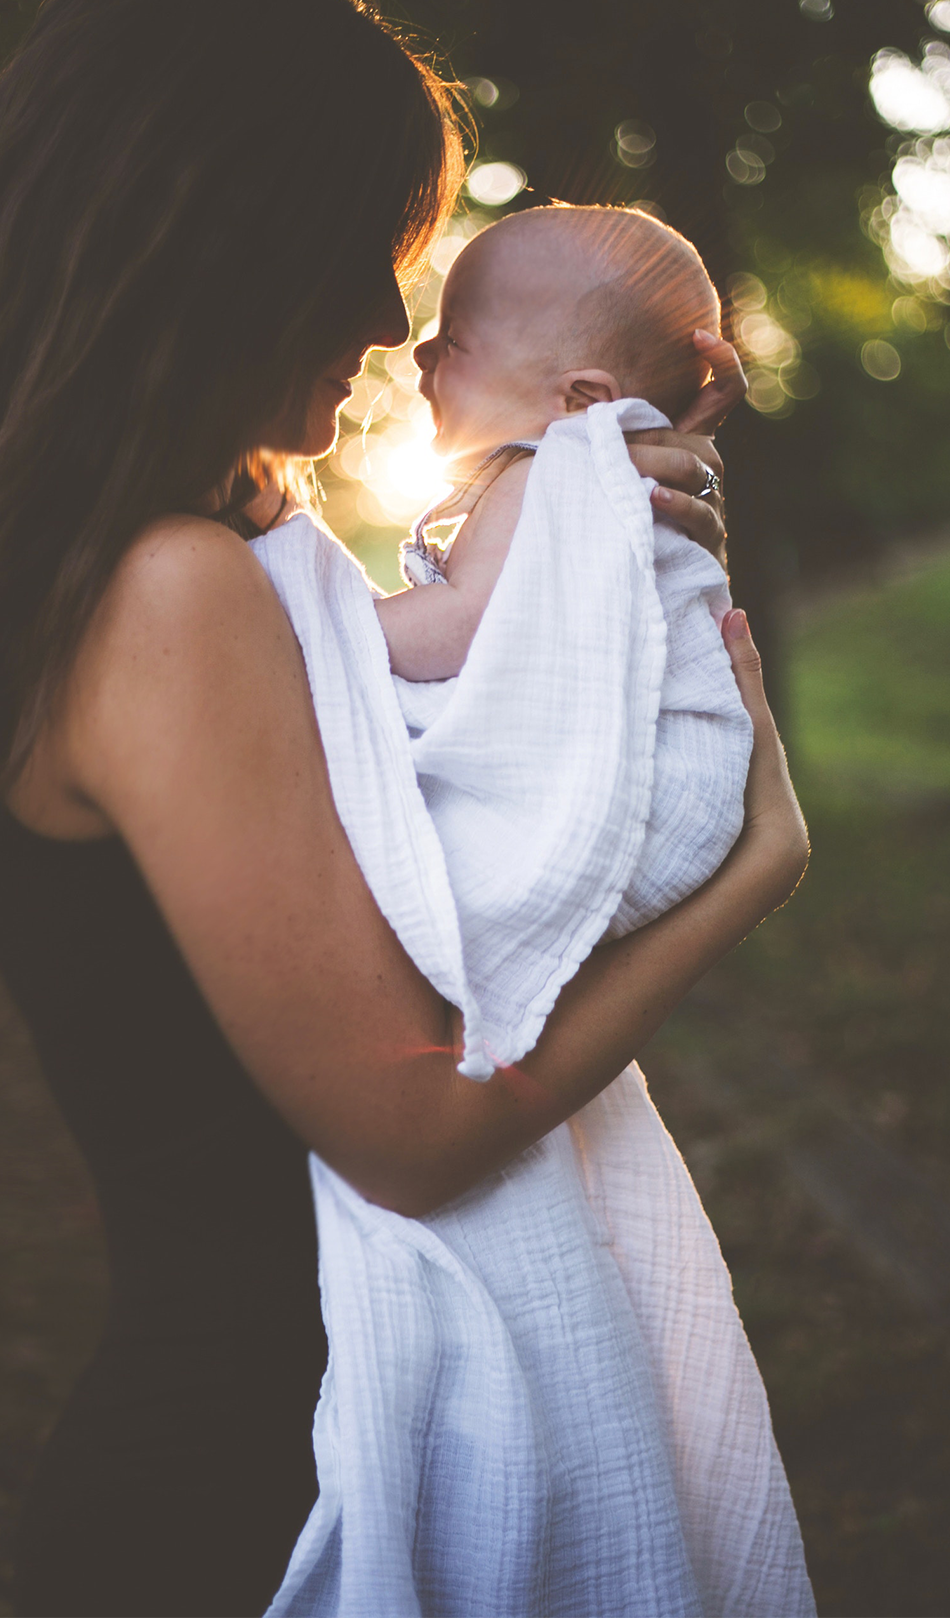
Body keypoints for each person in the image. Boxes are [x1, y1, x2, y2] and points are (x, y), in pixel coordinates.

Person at [0, 2, 806, 1616]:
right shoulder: (168, 595)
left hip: (253, 1429)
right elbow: (413, 1131)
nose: (385, 317)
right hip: (262, 1491)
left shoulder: (137, 564)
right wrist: (751, 869)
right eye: (365, 246)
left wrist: (570, 494)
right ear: (218, 235)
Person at [245, 204, 811, 1614]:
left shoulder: (556, 474)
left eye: (461, 329)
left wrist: (295, 603)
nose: (420, 346)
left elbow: (437, 641)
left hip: (657, 801)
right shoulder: (581, 467)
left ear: (570, 400)